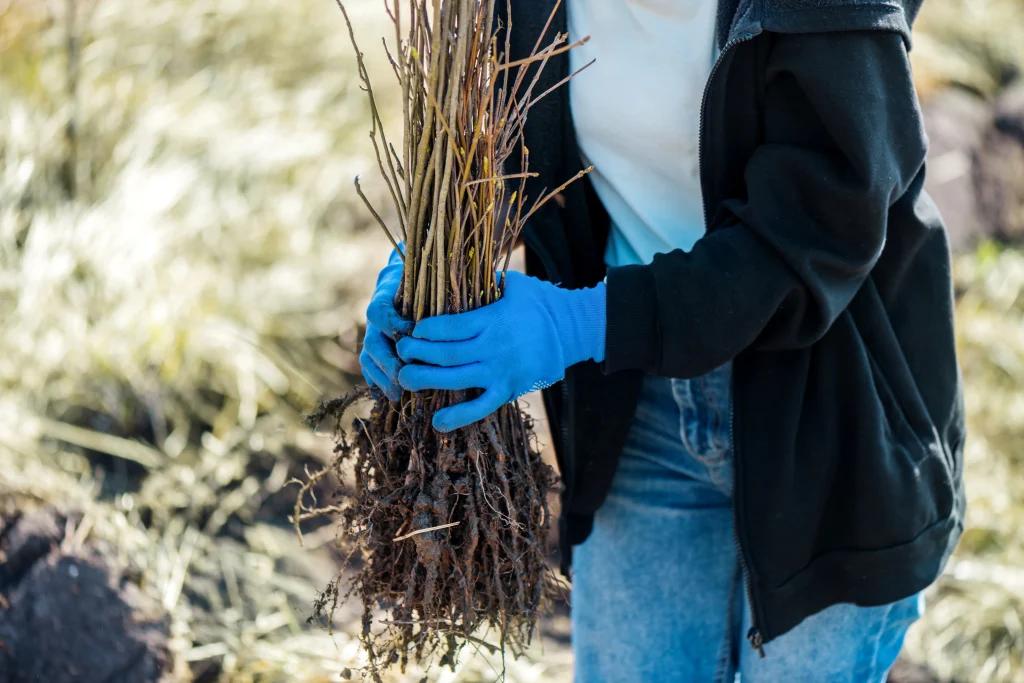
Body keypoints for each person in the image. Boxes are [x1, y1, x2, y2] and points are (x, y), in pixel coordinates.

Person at [358, 0, 966, 680]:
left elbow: (812, 237)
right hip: (637, 410)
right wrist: (429, 263)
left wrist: (580, 322)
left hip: (833, 421)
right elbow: (507, 139)